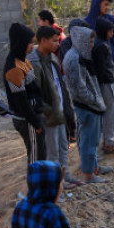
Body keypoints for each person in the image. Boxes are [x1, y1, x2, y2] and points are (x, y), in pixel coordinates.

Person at [29, 26, 79, 188]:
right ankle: (56, 184)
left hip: (60, 111)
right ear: (42, 41)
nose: (58, 44)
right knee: (52, 152)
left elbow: (60, 85)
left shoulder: (52, 58)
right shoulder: (34, 63)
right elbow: (35, 94)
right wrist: (47, 112)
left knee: (63, 147)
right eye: (54, 41)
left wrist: (67, 109)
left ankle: (66, 177)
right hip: (49, 116)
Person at [63, 22, 108, 185]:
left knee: (92, 140)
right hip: (87, 107)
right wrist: (96, 102)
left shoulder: (79, 55)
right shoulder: (74, 59)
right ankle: (89, 174)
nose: (91, 45)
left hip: (89, 106)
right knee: (89, 141)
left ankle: (93, 167)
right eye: (89, 42)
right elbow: (80, 90)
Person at [83, 0, 114, 146]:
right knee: (103, 106)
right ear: (97, 4)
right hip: (98, 73)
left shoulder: (110, 20)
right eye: (105, 5)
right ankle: (105, 140)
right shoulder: (88, 23)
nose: (107, 8)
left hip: (113, 66)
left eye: (109, 5)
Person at [4, 23, 45, 164]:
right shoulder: (13, 68)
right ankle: (35, 185)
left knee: (41, 153)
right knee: (35, 157)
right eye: (30, 43)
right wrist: (36, 123)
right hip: (26, 119)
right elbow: (21, 101)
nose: (32, 46)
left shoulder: (23, 60)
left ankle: (42, 184)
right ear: (21, 43)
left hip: (33, 116)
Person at [37, 9, 75, 143]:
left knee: (64, 103)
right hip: (51, 110)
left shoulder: (53, 37)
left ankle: (70, 133)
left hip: (61, 74)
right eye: (55, 41)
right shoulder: (39, 60)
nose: (57, 44)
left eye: (40, 20)